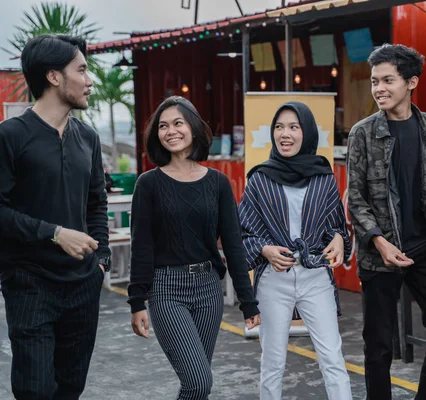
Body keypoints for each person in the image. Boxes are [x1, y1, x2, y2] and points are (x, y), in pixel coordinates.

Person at [346, 43, 426, 400]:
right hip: (380, 252)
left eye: (387, 80)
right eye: (374, 81)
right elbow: (356, 198)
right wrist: (379, 241)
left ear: (411, 82)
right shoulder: (362, 133)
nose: (379, 88)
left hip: (424, 247)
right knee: (379, 347)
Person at [128, 95, 261, 399]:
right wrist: (137, 301)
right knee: (199, 382)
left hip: (208, 289)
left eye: (178, 123)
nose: (170, 131)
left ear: (193, 128)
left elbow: (233, 245)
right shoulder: (147, 184)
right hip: (166, 289)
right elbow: (142, 246)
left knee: (197, 384)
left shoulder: (218, 183)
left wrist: (247, 301)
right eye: (163, 126)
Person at [0, 34, 110, 399]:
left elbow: (97, 203)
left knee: (70, 387)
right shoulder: (10, 136)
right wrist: (54, 233)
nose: (89, 80)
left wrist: (102, 261)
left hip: (82, 285)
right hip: (30, 282)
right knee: (34, 389)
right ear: (53, 77)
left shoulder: (89, 138)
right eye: (81, 70)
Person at [239, 101, 353, 400]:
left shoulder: (324, 177)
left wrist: (339, 239)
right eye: (279, 127)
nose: (284, 134)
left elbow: (337, 226)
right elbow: (241, 232)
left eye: (293, 127)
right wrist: (264, 250)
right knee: (272, 362)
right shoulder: (259, 179)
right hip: (273, 281)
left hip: (315, 276)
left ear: (308, 132)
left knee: (332, 358)